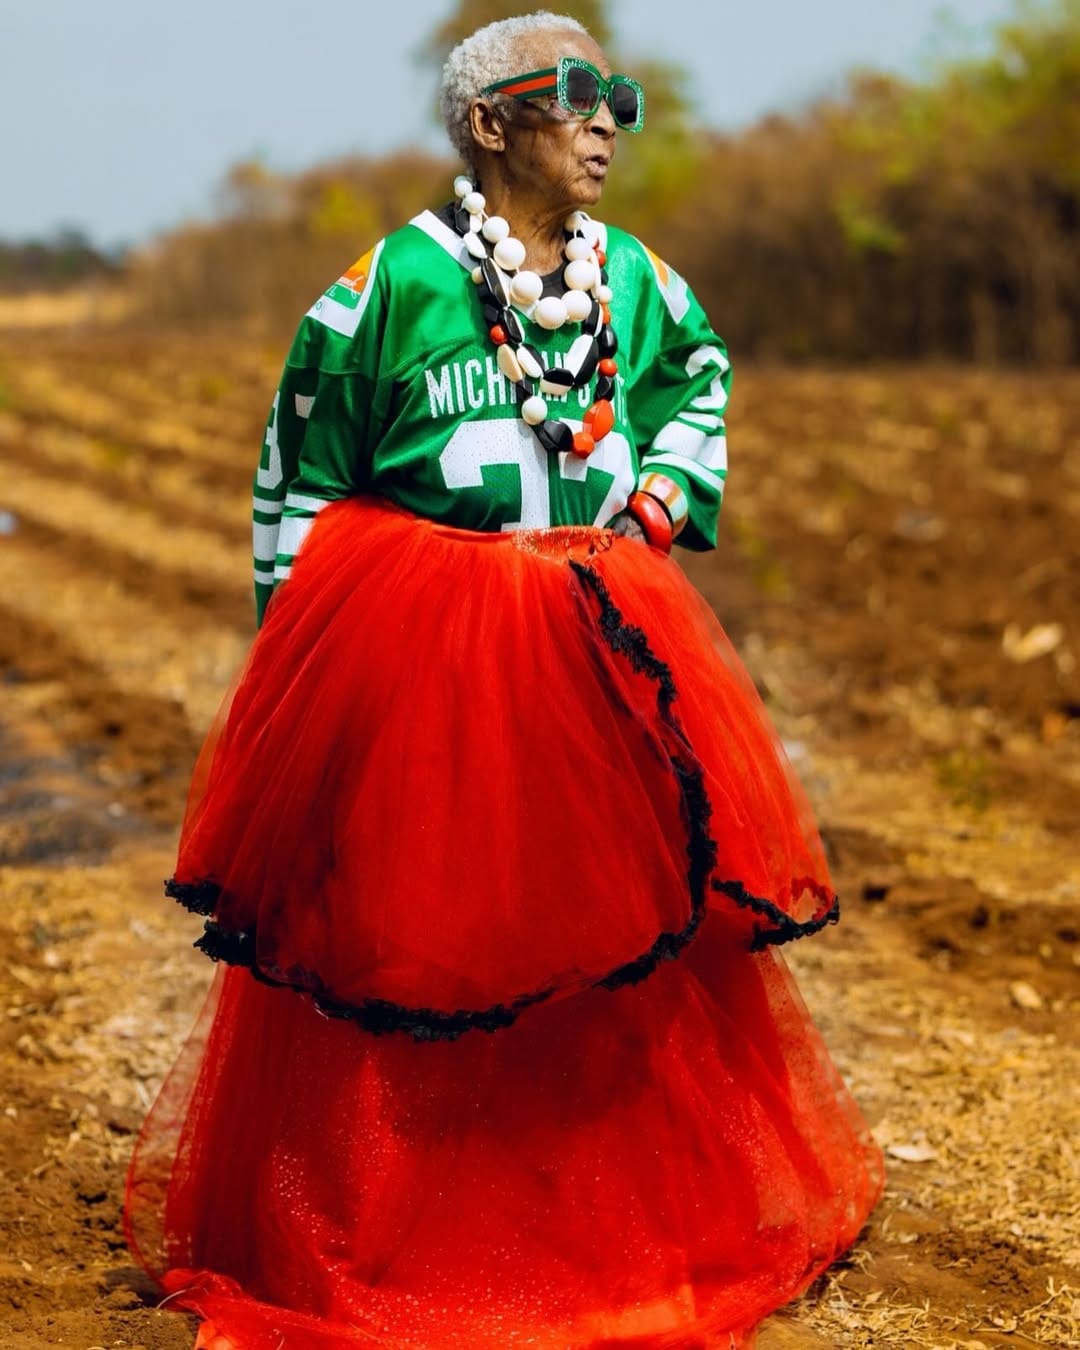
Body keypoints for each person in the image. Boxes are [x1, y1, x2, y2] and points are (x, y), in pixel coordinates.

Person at [124, 12, 883, 1349]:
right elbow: (300, 470)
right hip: (428, 651)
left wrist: (661, 496)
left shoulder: (634, 278)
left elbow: (700, 375)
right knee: (422, 925)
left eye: (617, 99)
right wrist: (303, 677)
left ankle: (606, 1229)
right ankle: (405, 1236)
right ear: (489, 122)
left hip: (603, 638)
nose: (605, 124)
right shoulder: (386, 287)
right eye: (575, 97)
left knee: (613, 924)